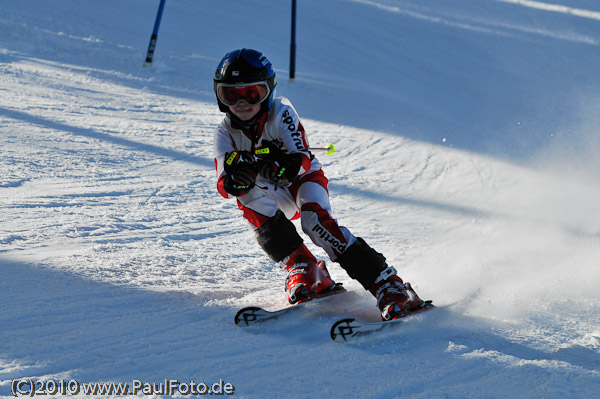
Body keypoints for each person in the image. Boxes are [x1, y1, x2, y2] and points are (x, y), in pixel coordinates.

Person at [212, 48, 426, 320]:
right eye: (231, 94)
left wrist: (283, 164)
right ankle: (304, 266)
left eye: (252, 93)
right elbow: (223, 184)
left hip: (303, 180)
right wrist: (235, 181)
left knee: (314, 222)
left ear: (268, 92)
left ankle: (388, 284)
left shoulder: (281, 112)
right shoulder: (224, 133)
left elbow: (301, 156)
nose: (242, 103)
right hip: (272, 191)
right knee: (247, 197)